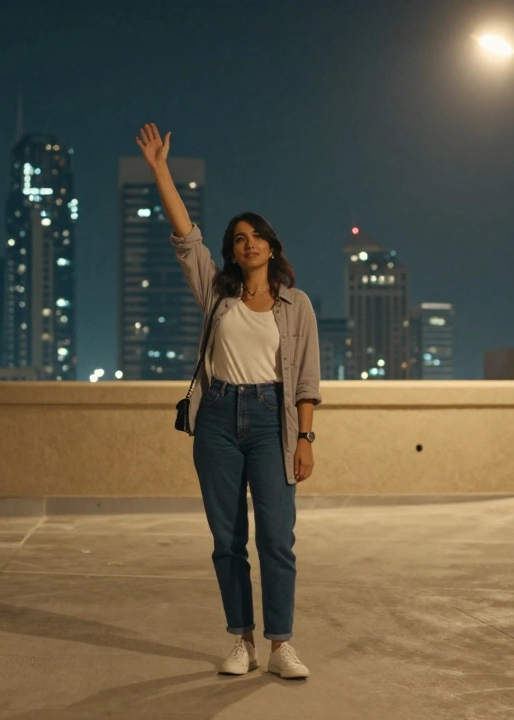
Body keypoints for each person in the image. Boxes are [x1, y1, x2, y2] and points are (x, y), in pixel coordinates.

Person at [136, 123, 322, 680]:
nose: (249, 243)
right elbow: (185, 238)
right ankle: (242, 640)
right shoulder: (217, 295)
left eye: (257, 236)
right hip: (217, 418)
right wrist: (160, 169)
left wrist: (305, 437)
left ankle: (281, 644)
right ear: (233, 252)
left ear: (272, 246)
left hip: (271, 422)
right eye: (240, 238)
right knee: (227, 540)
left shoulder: (297, 305)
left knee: (277, 539)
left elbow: (306, 381)